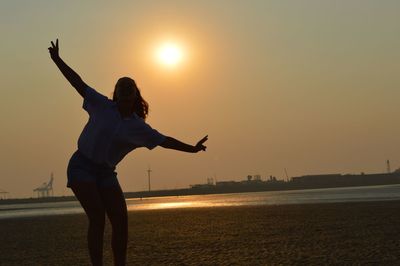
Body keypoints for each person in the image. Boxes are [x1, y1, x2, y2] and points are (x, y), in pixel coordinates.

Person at [48, 39, 208, 266]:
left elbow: (164, 141)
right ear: (117, 93)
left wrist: (192, 148)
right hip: (81, 165)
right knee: (97, 218)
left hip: (105, 173)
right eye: (121, 84)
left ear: (135, 94)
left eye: (129, 85)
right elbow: (78, 83)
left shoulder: (138, 127)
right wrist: (57, 60)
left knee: (120, 220)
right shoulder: (101, 105)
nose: (125, 86)